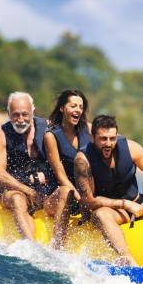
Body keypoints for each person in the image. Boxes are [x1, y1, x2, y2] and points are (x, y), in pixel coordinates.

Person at [74, 115, 143, 266]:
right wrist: (124, 204)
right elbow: (89, 201)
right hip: (112, 211)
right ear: (92, 137)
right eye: (103, 139)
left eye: (112, 138)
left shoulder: (131, 148)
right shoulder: (83, 160)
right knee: (100, 214)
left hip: (139, 203)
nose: (108, 144)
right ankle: (126, 258)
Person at [0, 92, 73, 243]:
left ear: (33, 112)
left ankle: (58, 246)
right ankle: (31, 246)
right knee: (17, 199)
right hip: (17, 193)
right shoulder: (1, 135)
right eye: (15, 115)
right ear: (8, 113)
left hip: (46, 196)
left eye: (25, 114)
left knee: (66, 192)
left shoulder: (50, 129)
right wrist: (27, 190)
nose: (20, 120)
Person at [44, 89, 92, 247]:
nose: (78, 109)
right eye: (73, 106)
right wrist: (82, 199)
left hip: (86, 196)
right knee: (67, 191)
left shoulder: (89, 130)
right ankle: (57, 247)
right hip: (58, 196)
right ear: (62, 108)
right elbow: (60, 175)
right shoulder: (51, 136)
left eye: (80, 106)